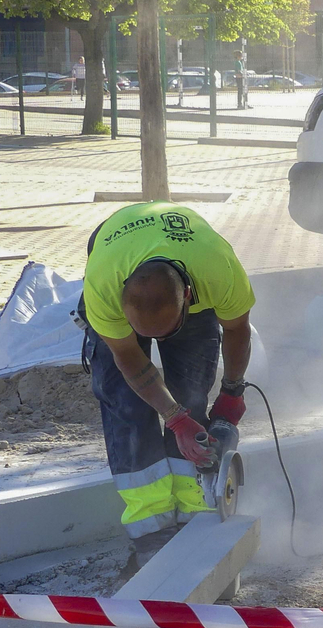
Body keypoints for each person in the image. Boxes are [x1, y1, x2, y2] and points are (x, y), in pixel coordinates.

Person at [80, 202, 254, 570]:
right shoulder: (104, 288)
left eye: (164, 330)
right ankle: (151, 530)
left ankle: (195, 511)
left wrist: (232, 391)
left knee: (191, 392)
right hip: (115, 253)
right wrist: (174, 419)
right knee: (126, 405)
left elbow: (237, 330)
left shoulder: (217, 269)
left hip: (191, 267)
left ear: (188, 298)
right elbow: (128, 356)